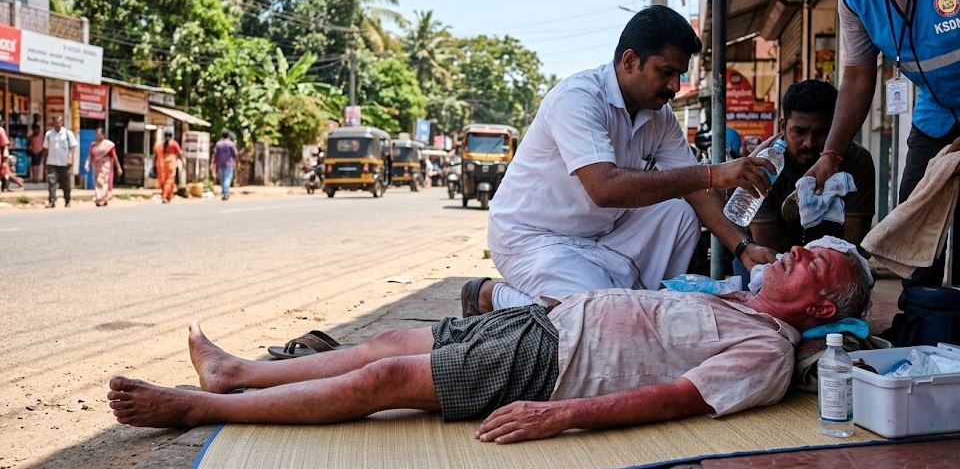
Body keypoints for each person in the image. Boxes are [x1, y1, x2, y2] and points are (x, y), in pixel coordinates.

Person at [107, 241, 870, 442]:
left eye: (817, 263)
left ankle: (204, 409)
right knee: (393, 341)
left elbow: (673, 400)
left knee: (389, 383)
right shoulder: (738, 295)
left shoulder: (768, 350)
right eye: (806, 248)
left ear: (824, 302)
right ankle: (235, 372)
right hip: (546, 323)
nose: (799, 254)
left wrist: (558, 414)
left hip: (554, 363)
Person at [476, 6, 779, 314]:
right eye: (665, 72)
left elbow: (698, 191)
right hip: (532, 240)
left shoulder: (660, 116)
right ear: (630, 61)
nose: (675, 86)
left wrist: (744, 249)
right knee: (598, 316)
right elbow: (605, 188)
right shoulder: (577, 98)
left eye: (679, 75)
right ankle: (492, 295)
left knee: (679, 216)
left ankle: (641, 311)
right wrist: (712, 174)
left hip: (601, 237)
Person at [808, 0, 960, 289]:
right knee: (912, 227)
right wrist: (831, 155)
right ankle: (919, 322)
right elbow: (858, 78)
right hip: (937, 112)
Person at [751, 80, 876, 253]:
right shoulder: (762, 163)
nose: (809, 143)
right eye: (799, 132)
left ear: (835, 130)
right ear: (782, 127)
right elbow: (765, 246)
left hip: (833, 260)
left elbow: (853, 245)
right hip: (772, 258)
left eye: (822, 132)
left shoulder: (857, 160)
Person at [42, 116, 78, 209]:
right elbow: (45, 148)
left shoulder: (67, 133)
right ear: (53, 124)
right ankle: (52, 201)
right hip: (52, 163)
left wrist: (71, 159)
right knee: (51, 183)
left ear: (61, 123)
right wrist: (46, 161)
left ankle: (67, 200)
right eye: (55, 123)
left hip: (64, 163)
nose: (57, 124)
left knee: (66, 184)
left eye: (59, 123)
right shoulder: (49, 134)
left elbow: (73, 147)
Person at [84, 128, 123, 207]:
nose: (97, 136)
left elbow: (114, 156)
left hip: (105, 165)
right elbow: (90, 156)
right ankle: (102, 199)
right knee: (97, 182)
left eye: (99, 134)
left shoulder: (108, 145)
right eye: (96, 134)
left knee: (102, 182)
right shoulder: (93, 145)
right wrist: (87, 164)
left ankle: (100, 199)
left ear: (103, 135)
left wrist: (118, 167)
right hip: (96, 166)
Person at [154, 131, 184, 204]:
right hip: (170, 163)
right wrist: (183, 162)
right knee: (169, 181)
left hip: (161, 164)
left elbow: (155, 156)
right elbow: (180, 154)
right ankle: (165, 197)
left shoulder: (159, 145)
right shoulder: (174, 144)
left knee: (163, 181)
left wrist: (154, 165)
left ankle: (168, 197)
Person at [211, 131, 239, 201]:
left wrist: (213, 163)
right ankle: (226, 193)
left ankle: (224, 192)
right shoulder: (231, 144)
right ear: (228, 136)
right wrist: (237, 163)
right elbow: (235, 155)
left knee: (222, 179)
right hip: (229, 164)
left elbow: (215, 155)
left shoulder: (218, 144)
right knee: (227, 179)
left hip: (220, 164)